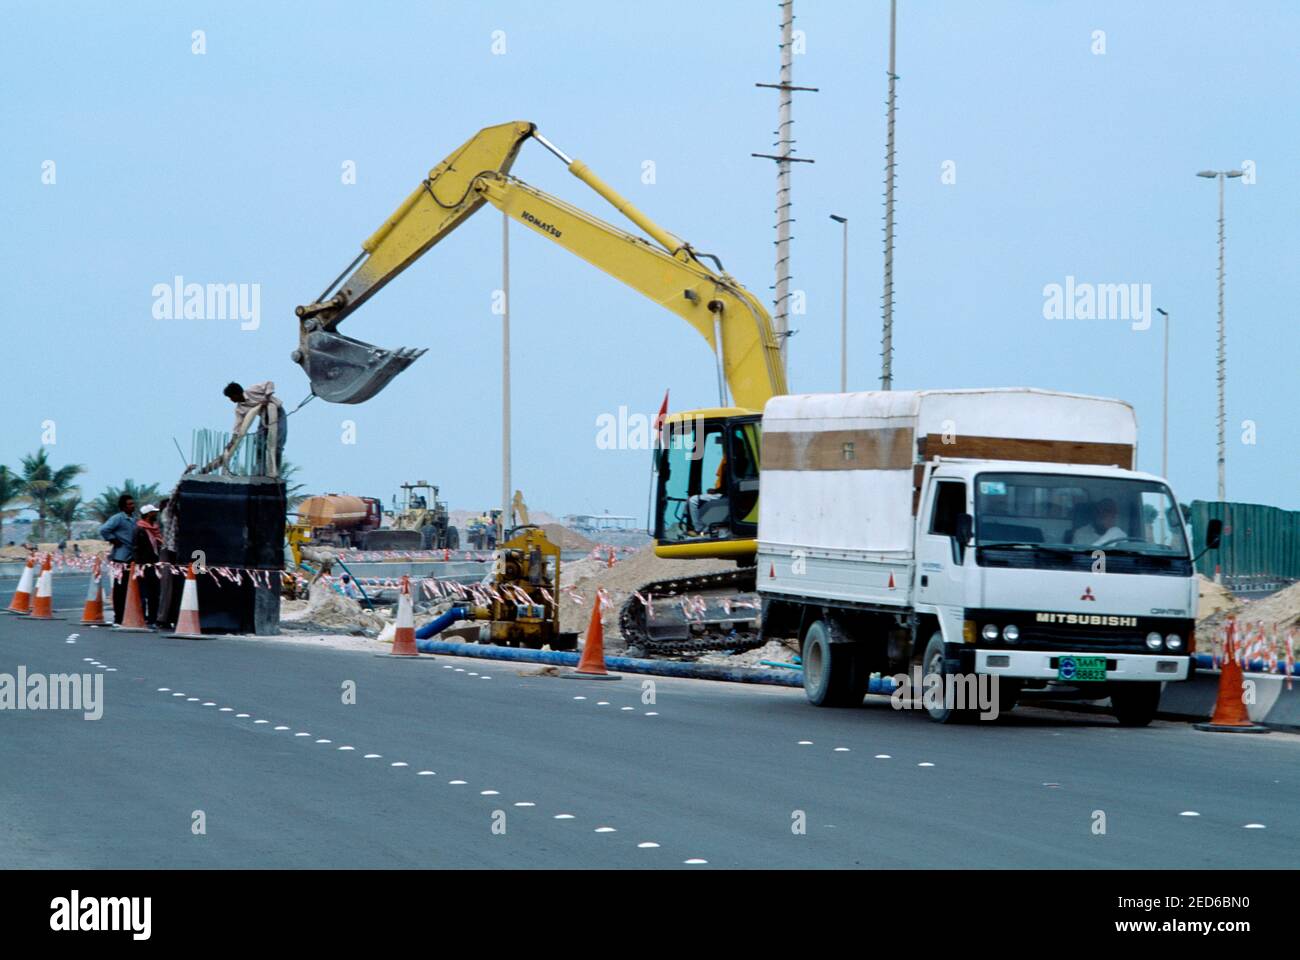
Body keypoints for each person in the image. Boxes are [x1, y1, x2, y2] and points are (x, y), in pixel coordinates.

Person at [98, 494, 136, 624]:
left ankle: (127, 614)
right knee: (120, 588)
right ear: (123, 506)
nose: (133, 506)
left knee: (129, 588)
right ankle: (118, 616)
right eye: (130, 504)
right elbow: (104, 530)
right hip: (121, 558)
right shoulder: (118, 518)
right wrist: (114, 540)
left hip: (132, 557)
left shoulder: (134, 520)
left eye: (133, 503)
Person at [132, 504, 163, 627]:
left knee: (154, 594)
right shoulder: (139, 529)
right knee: (143, 594)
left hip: (154, 565)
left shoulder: (155, 529)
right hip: (144, 566)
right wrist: (140, 564)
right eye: (154, 512)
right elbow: (135, 548)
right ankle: (142, 618)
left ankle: (152, 619)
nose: (156, 514)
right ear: (148, 514)